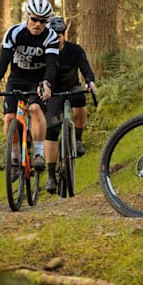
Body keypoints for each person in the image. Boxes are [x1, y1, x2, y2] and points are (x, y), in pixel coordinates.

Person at [0, 0, 59, 172]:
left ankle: (39, 154)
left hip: (39, 78)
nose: (38, 24)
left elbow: (51, 65)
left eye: (43, 21)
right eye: (34, 19)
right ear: (27, 16)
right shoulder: (14, 33)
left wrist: (47, 84)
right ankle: (15, 155)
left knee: (35, 108)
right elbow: (4, 61)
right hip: (17, 77)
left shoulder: (51, 36)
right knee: (9, 117)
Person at [43, 16, 97, 194]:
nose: (57, 37)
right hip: (52, 92)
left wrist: (90, 81)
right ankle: (51, 176)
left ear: (64, 34)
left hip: (72, 87)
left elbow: (85, 68)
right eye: (53, 34)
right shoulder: (43, 51)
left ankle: (79, 139)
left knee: (81, 100)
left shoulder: (75, 50)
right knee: (51, 130)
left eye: (60, 34)